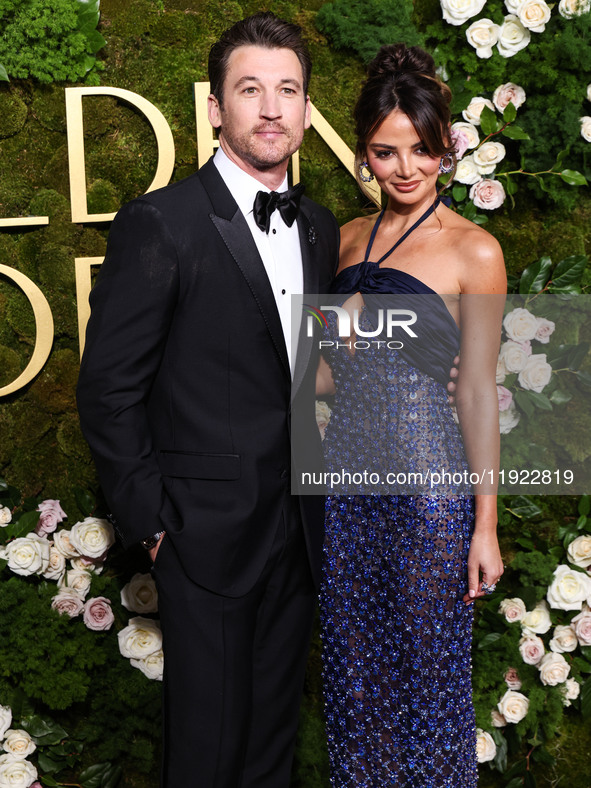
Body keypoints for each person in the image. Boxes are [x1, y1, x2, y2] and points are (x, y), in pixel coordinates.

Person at [76, 12, 338, 787]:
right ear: (216, 107)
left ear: (304, 108)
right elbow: (107, 389)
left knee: (269, 755)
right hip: (204, 540)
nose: (270, 108)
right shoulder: (162, 222)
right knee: (204, 757)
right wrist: (156, 526)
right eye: (249, 89)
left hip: (299, 528)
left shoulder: (319, 227)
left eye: (287, 90)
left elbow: (309, 375)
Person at [316, 43, 506, 786]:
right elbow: (326, 376)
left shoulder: (473, 251)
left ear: (444, 151)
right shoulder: (341, 242)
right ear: (364, 152)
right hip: (343, 490)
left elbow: (476, 391)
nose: (405, 169)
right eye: (386, 151)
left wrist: (483, 525)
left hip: (431, 496)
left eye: (421, 151)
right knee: (354, 686)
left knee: (429, 688)